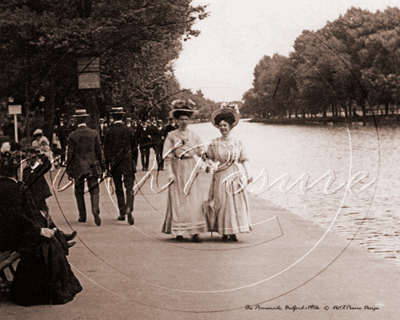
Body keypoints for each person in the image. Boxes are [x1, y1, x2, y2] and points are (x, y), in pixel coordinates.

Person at [0, 149, 82, 306]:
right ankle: (48, 286)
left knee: (44, 233)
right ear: (17, 171)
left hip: (3, 235)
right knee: (45, 242)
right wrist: (39, 230)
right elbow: (19, 217)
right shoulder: (18, 189)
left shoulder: (12, 187)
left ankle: (58, 238)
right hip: (9, 240)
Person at [202, 103, 252, 241]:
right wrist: (208, 164)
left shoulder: (238, 142)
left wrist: (248, 173)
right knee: (222, 202)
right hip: (220, 174)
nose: (223, 128)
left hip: (234, 174)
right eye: (221, 125)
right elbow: (209, 158)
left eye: (225, 125)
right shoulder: (214, 143)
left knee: (234, 203)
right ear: (218, 126)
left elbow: (244, 159)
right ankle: (224, 231)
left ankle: (234, 231)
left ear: (230, 126)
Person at [162, 99, 207, 242]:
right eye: (181, 119)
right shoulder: (171, 136)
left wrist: (209, 158)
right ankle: (179, 230)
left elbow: (201, 151)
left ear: (190, 120)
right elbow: (167, 156)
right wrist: (170, 172)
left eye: (186, 119)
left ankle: (194, 230)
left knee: (194, 199)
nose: (184, 122)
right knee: (179, 199)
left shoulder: (194, 135)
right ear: (176, 120)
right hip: (178, 168)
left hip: (191, 168)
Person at [66, 109, 105, 226]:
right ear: (86, 119)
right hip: (92, 166)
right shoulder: (94, 133)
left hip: (78, 167)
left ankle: (82, 216)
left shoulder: (72, 135)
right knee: (94, 191)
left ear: (77, 120)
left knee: (79, 192)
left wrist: (69, 170)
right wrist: (102, 166)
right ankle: (95, 210)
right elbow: (99, 151)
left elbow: (70, 155)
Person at [104, 107, 136, 225]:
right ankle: (129, 209)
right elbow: (134, 148)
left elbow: (106, 151)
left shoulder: (109, 131)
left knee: (118, 189)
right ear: (123, 117)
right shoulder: (130, 130)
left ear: (112, 117)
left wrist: (107, 167)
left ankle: (122, 212)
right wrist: (134, 162)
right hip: (128, 162)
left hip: (115, 164)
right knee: (129, 188)